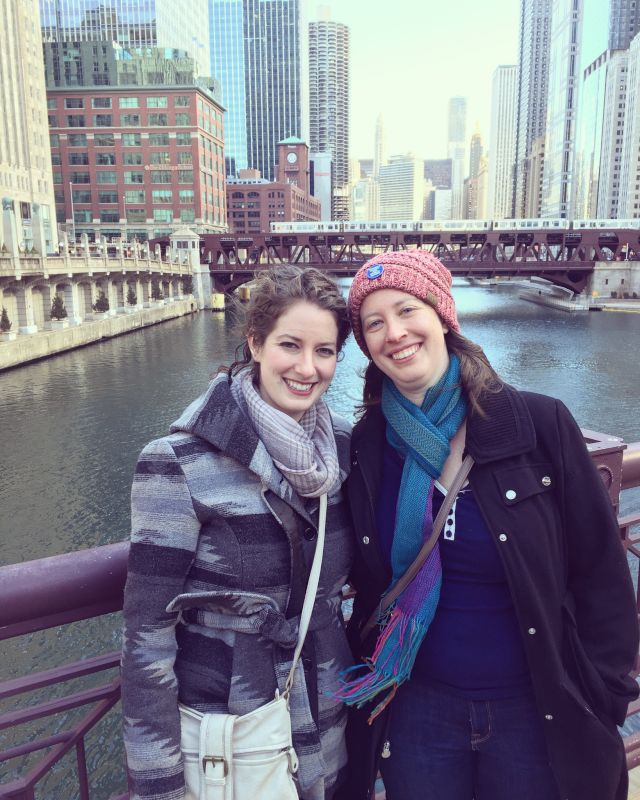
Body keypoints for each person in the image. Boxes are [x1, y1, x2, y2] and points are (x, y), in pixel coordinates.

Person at [336, 250, 638, 800]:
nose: (394, 333)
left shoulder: (537, 423)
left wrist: (607, 694)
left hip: (533, 706)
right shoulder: (369, 444)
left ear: (442, 316)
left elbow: (601, 572)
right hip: (417, 708)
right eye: (374, 323)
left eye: (407, 311)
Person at [121, 266, 354, 800]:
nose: (307, 367)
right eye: (290, 345)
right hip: (233, 737)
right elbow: (146, 635)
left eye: (324, 351)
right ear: (254, 342)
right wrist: (159, 786)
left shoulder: (343, 447)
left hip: (330, 724)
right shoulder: (178, 461)